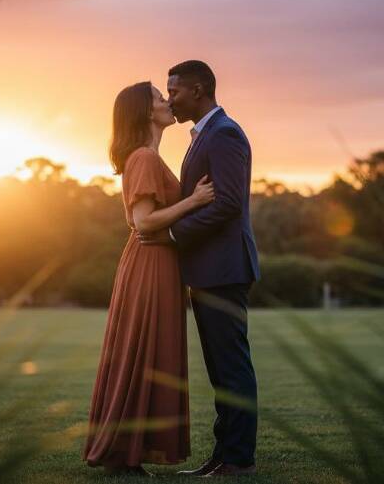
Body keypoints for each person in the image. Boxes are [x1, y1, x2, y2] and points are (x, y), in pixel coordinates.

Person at [83, 81, 215, 476]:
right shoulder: (143, 158)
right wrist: (193, 201)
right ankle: (123, 452)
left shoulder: (149, 156)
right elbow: (143, 222)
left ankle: (130, 451)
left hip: (159, 261)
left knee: (151, 351)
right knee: (142, 351)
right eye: (160, 97)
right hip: (150, 262)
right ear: (145, 112)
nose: (167, 100)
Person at [143, 60, 260, 477]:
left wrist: (173, 236)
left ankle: (239, 459)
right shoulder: (203, 136)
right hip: (209, 269)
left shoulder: (224, 134)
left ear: (199, 90)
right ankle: (223, 455)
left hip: (224, 268)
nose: (169, 98)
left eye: (173, 91)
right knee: (220, 369)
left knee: (231, 366)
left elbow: (227, 203)